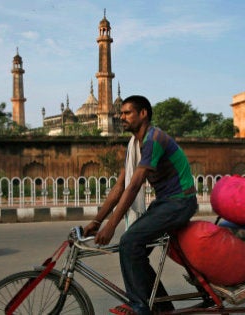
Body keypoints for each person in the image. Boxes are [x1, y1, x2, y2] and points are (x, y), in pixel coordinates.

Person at [83, 95, 197, 315]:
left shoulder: (153, 139)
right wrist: (97, 221)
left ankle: (138, 307)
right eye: (121, 113)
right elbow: (120, 186)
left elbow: (134, 186)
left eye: (127, 113)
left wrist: (111, 225)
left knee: (129, 243)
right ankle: (163, 308)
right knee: (137, 253)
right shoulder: (135, 144)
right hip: (166, 202)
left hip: (179, 202)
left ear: (143, 114)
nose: (121, 117)